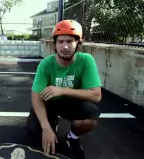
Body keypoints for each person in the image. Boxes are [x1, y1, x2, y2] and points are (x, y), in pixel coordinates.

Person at [26, 20, 102, 159]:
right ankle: (51, 124)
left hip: (71, 101)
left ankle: (71, 138)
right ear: (54, 43)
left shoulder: (86, 60)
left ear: (77, 43)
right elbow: (36, 96)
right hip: (49, 102)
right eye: (60, 41)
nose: (65, 46)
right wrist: (46, 127)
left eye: (70, 41)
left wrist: (62, 90)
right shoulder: (46, 64)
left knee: (90, 115)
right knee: (34, 132)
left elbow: (96, 95)